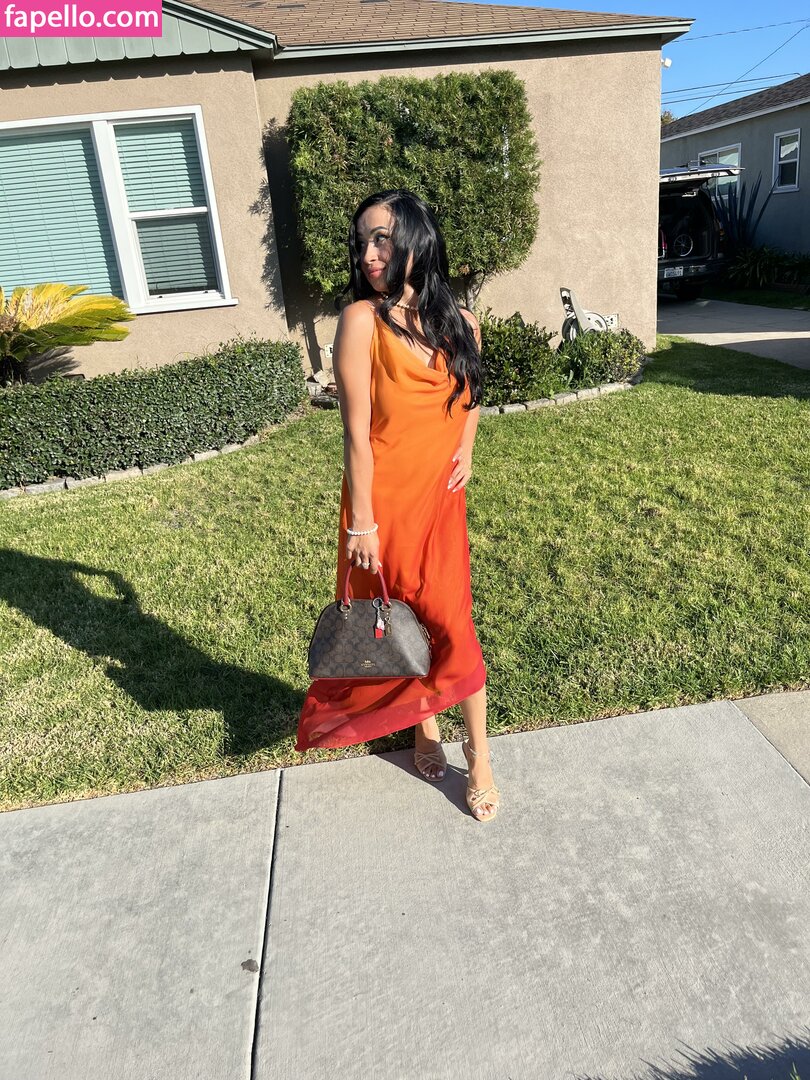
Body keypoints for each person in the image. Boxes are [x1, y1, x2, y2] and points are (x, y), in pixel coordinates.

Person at [295, 189, 500, 822]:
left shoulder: (462, 323)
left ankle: (480, 757)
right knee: (399, 621)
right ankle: (424, 726)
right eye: (362, 242)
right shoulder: (362, 320)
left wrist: (466, 450)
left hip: (439, 502)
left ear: (417, 238)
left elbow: (470, 395)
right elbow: (356, 434)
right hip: (381, 505)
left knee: (453, 624)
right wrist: (362, 522)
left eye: (381, 238)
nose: (369, 253)